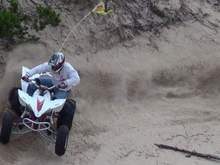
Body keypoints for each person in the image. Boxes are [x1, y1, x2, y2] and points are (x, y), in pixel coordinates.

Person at [21, 52, 80, 129]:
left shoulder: (68, 68)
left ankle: (49, 116)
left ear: (60, 64)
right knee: (33, 84)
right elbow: (38, 68)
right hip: (52, 82)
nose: (53, 67)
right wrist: (27, 75)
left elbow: (76, 79)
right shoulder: (50, 65)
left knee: (57, 102)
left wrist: (66, 83)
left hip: (62, 89)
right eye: (52, 65)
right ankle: (28, 106)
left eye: (54, 66)